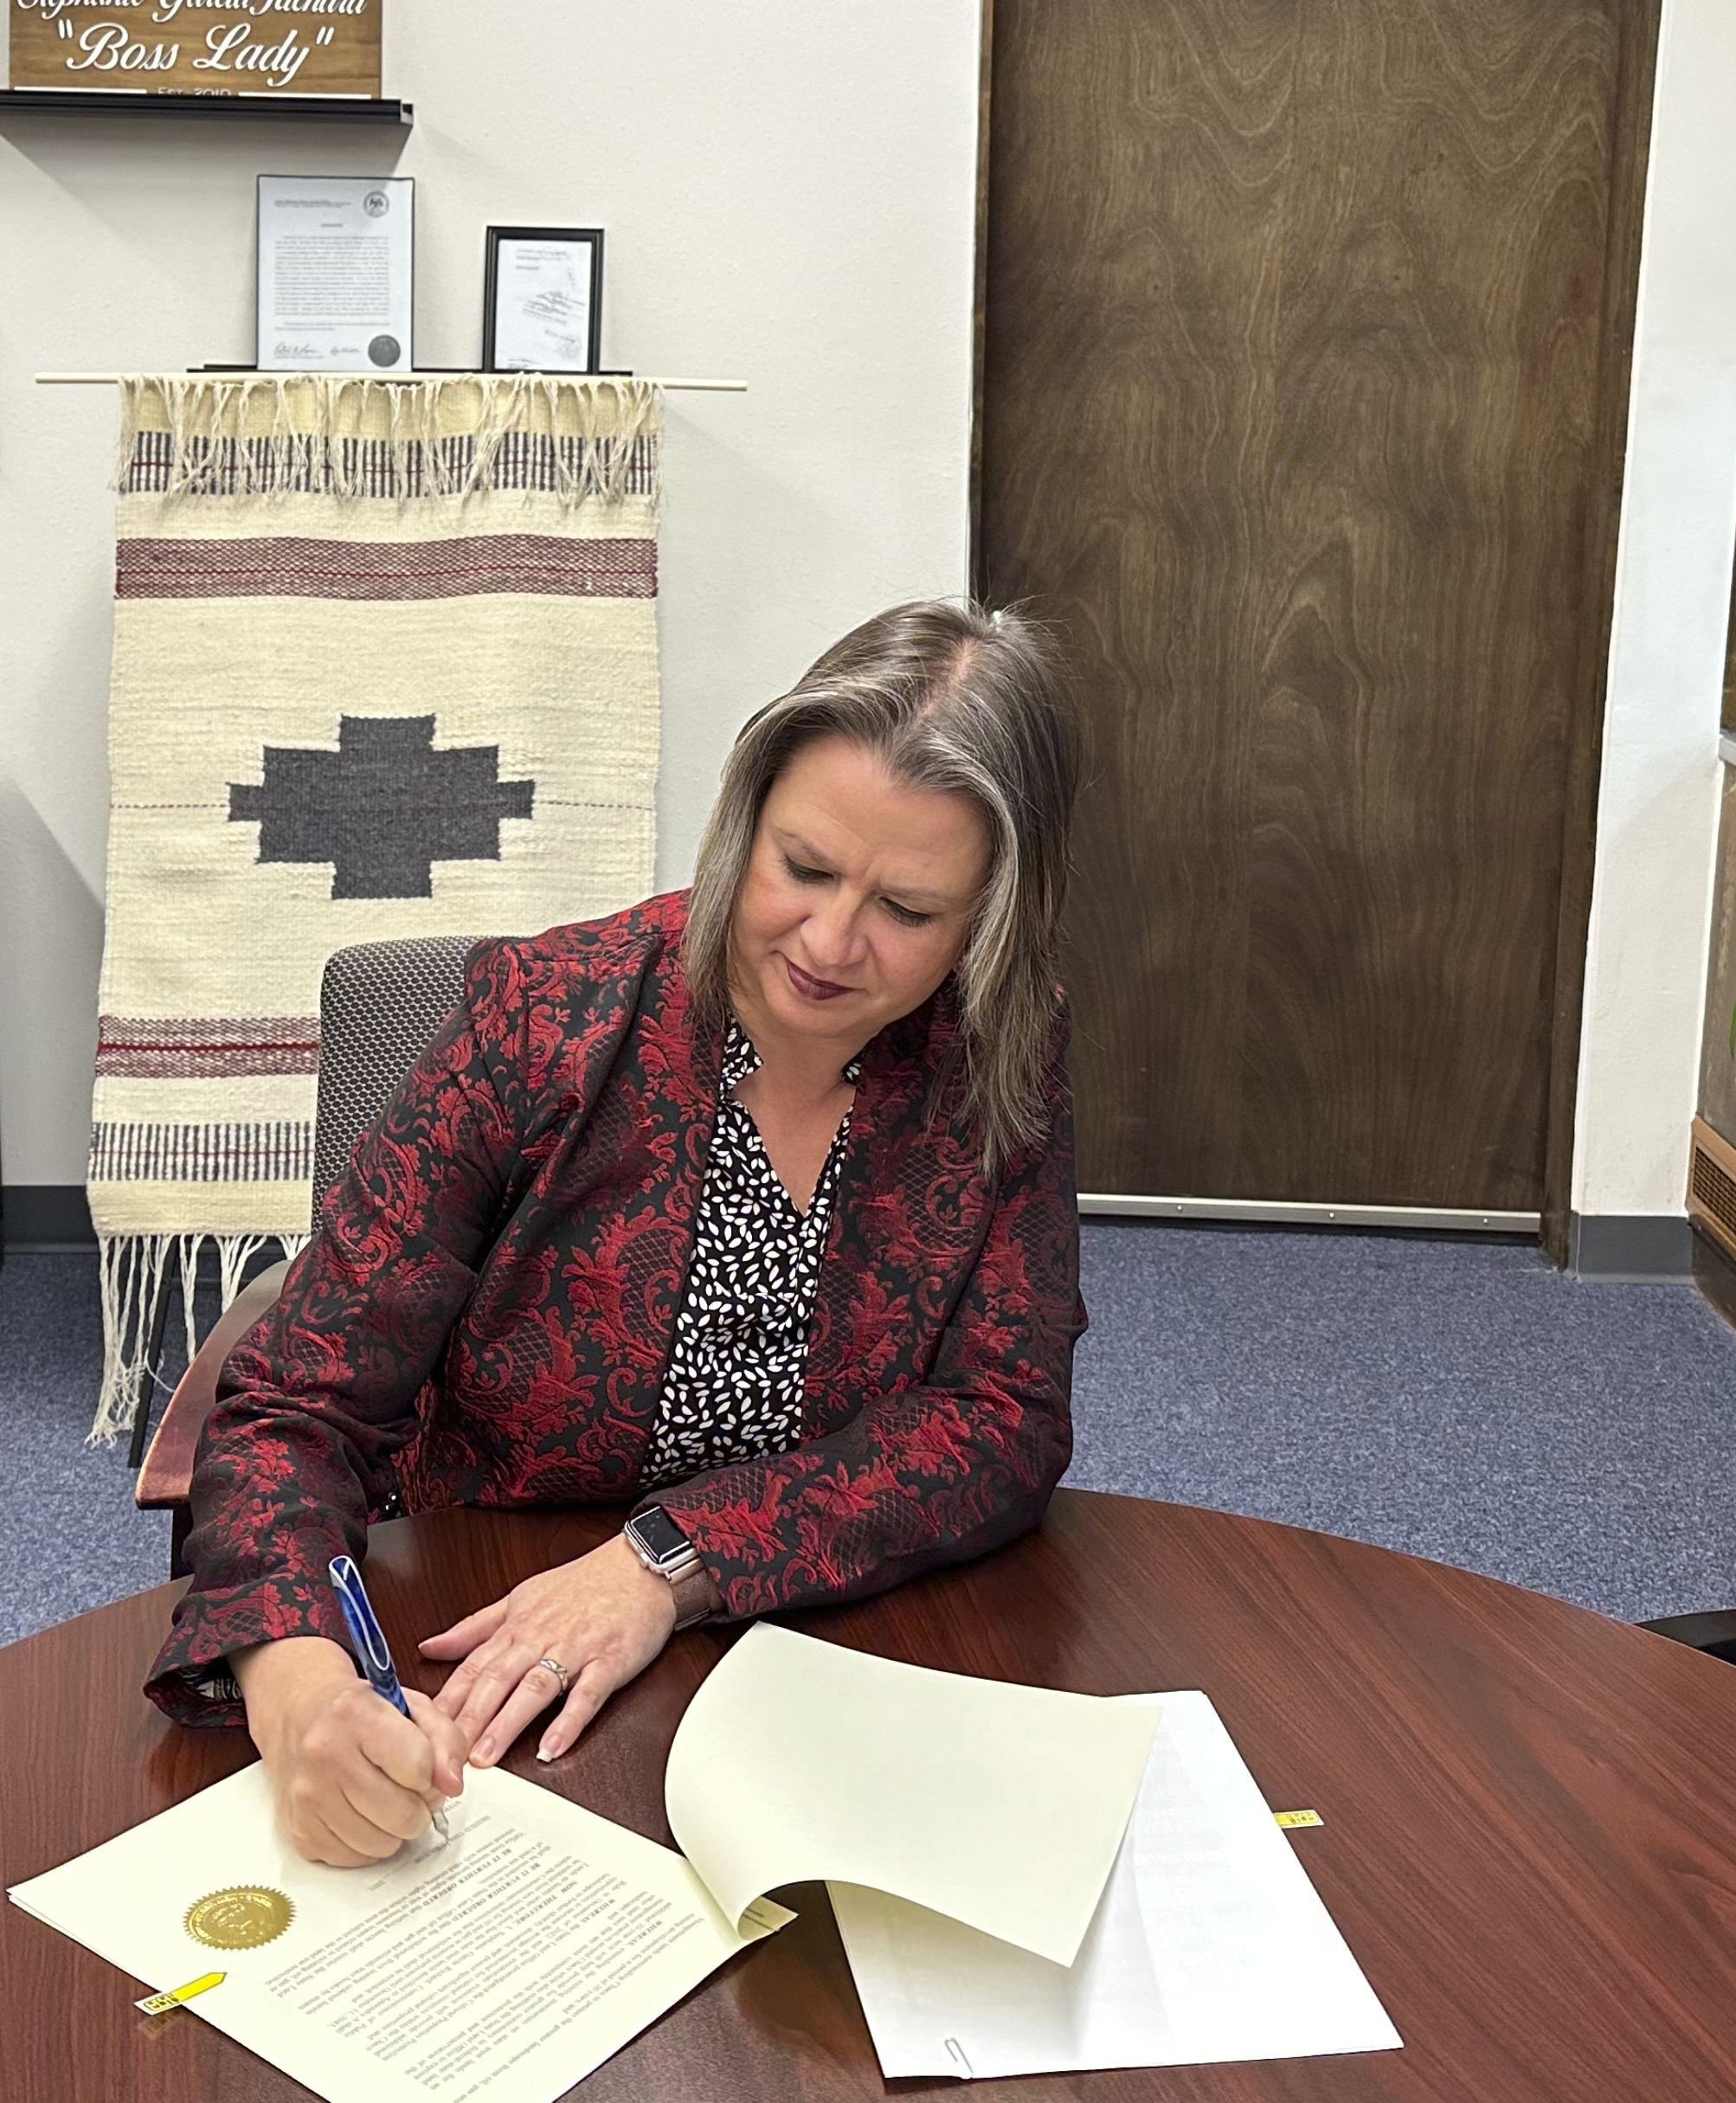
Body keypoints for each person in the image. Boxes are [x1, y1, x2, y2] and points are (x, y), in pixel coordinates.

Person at [145, 597, 1085, 1867]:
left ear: (989, 924)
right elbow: (293, 1407)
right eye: (802, 868)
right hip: (476, 1655)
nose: (827, 942)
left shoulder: (998, 1058)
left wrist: (665, 1564)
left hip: (811, 1651)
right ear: (741, 823)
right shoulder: (543, 1022)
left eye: (909, 910)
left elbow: (1001, 1414)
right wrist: (300, 1685)